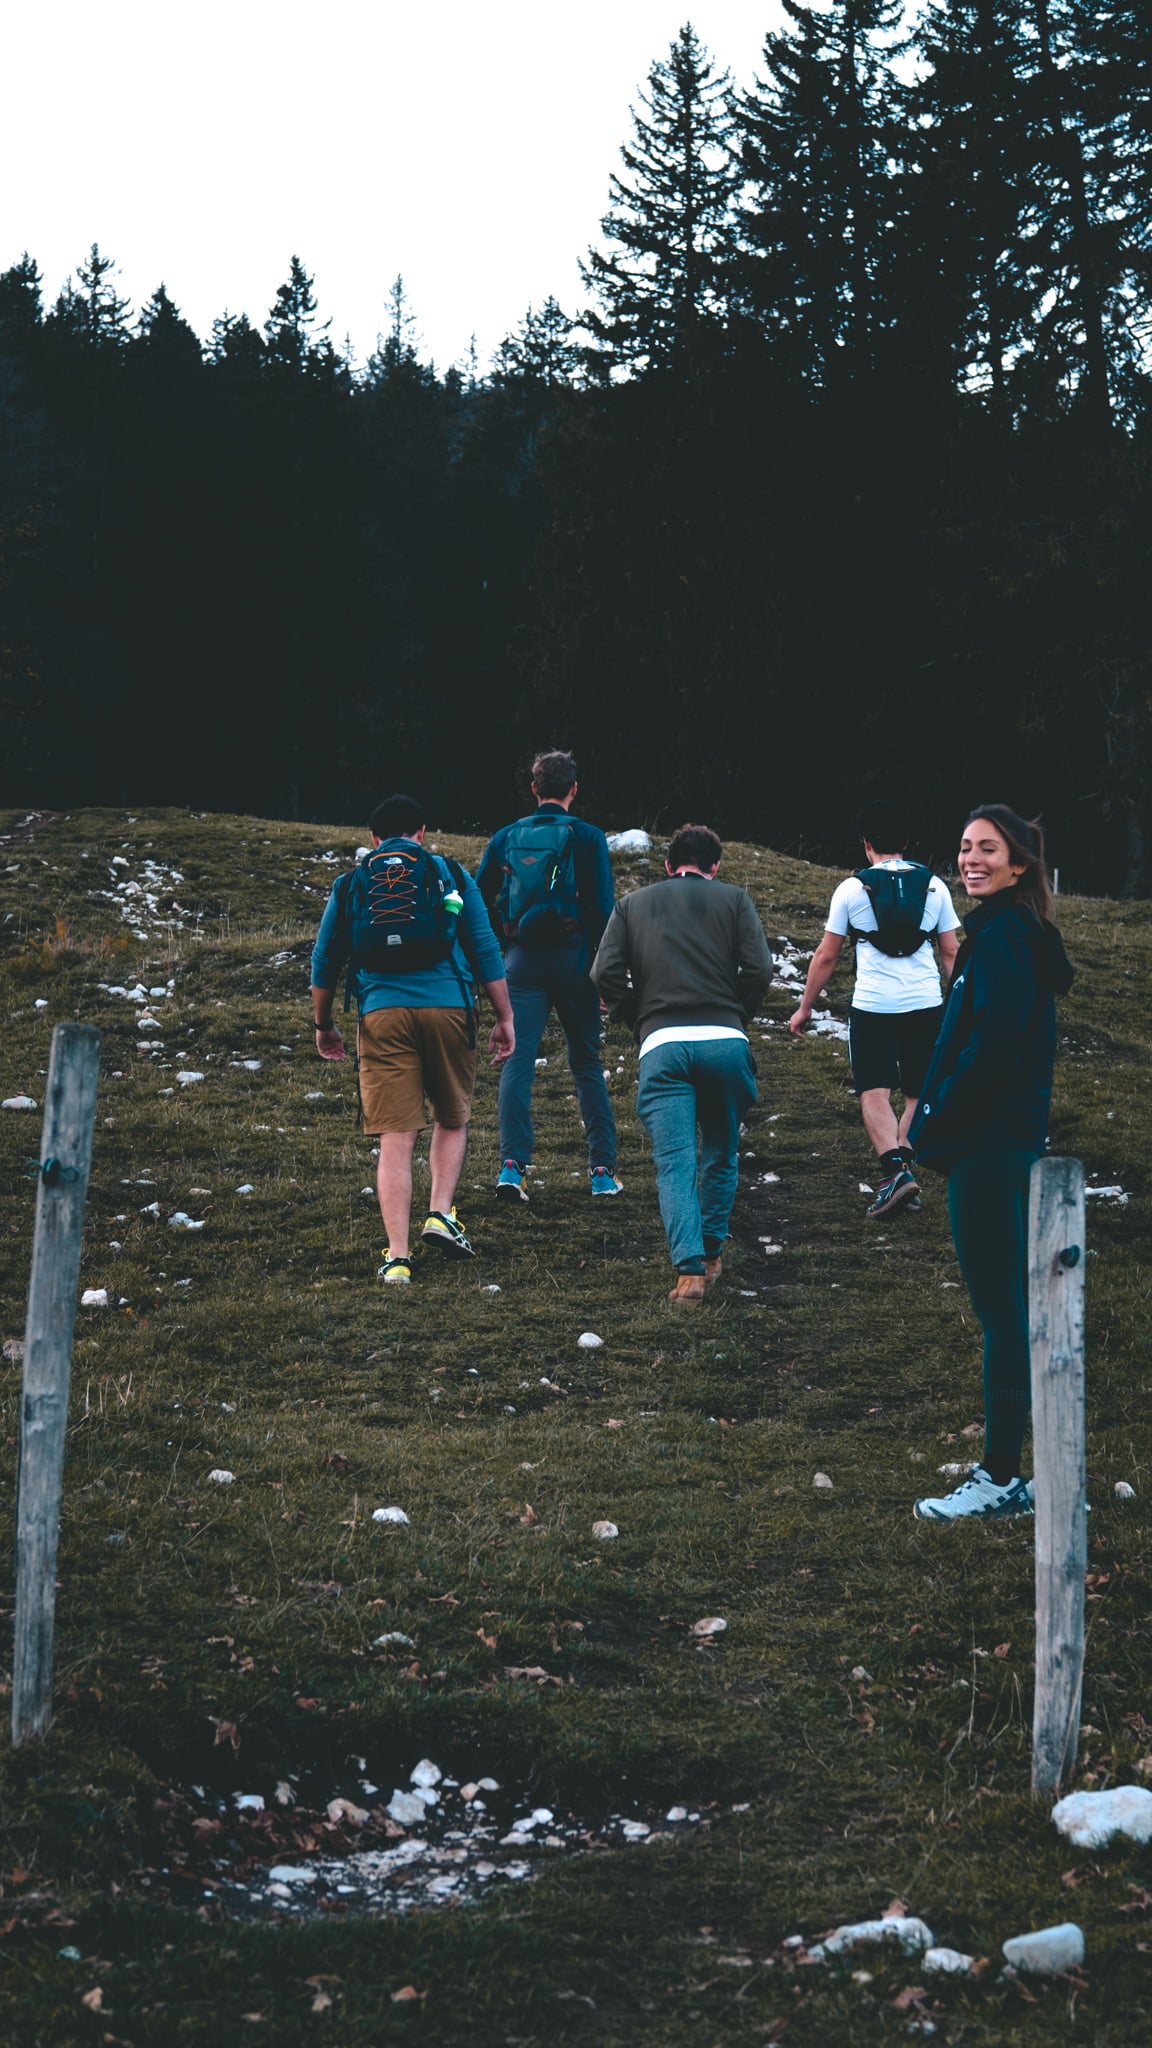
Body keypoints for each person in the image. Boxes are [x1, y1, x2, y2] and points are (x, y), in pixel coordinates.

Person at [908, 805, 1075, 1522]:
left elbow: (996, 1041)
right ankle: (1013, 1459)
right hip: (1006, 1140)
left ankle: (1000, 1475)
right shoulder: (1012, 932)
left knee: (999, 1310)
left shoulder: (1004, 936)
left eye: (987, 849)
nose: (971, 859)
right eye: (965, 847)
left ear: (1019, 865)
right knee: (1009, 1306)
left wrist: (940, 1108)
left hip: (990, 1143)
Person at [310, 792, 515, 1286]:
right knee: (452, 1116)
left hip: (381, 1014)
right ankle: (439, 1213)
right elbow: (484, 948)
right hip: (449, 1007)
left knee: (396, 1138)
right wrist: (504, 1016)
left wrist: (324, 1025)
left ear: (373, 839)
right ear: (422, 834)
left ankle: (397, 1258)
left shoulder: (350, 884)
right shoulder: (450, 874)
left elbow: (324, 960)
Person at [591, 823, 773, 1304]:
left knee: (674, 1162)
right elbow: (760, 969)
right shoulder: (734, 899)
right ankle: (713, 1253)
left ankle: (689, 1271)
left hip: (663, 1043)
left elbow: (603, 972)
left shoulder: (632, 905)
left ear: (668, 865)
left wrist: (639, 1017)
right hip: (724, 1040)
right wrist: (736, 1015)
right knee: (720, 1150)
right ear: (715, 868)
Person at [789, 802, 961, 1218]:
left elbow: (827, 956)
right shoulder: (935, 886)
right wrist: (960, 1007)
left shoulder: (852, 889)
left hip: (873, 1007)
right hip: (925, 1003)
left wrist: (805, 1007)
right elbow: (952, 951)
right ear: (906, 843)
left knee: (874, 1091)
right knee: (916, 1094)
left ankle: (895, 1173)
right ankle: (902, 1170)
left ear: (867, 844)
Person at [475, 749, 620, 1203]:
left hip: (521, 961)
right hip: (577, 961)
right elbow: (602, 907)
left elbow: (480, 898)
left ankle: (512, 1169)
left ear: (534, 788)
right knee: (586, 1064)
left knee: (517, 1060)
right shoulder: (588, 836)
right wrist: (602, 973)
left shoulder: (505, 836)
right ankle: (601, 1171)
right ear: (574, 789)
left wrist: (503, 943)